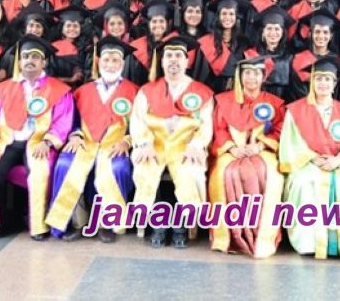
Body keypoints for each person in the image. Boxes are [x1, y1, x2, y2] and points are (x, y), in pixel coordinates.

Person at [0, 35, 74, 241]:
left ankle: (38, 226)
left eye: (35, 57)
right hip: (6, 141)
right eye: (26, 56)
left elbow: (63, 121)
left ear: (44, 62)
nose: (30, 60)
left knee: (40, 171)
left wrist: (47, 141)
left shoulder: (58, 90)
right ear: (19, 62)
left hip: (38, 142)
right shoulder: (3, 88)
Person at [45, 37, 137, 242]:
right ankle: (78, 222)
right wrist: (75, 135)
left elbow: (140, 125)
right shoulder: (83, 91)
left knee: (118, 168)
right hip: (85, 144)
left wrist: (127, 141)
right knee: (66, 164)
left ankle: (108, 223)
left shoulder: (133, 91)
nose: (110, 65)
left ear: (122, 64)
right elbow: (70, 119)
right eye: (106, 60)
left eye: (115, 60)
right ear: (98, 62)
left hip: (114, 145)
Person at [130, 36, 215, 249]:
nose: (173, 60)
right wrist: (144, 143)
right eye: (169, 55)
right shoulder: (147, 91)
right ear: (162, 61)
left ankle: (181, 225)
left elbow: (206, 124)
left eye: (178, 55)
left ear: (187, 61)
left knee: (190, 171)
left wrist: (196, 145)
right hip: (155, 145)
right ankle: (158, 224)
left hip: (186, 146)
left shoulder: (201, 92)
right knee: (145, 168)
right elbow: (137, 121)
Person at [279, 56, 340, 261]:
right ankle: (309, 243)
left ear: (335, 83)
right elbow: (290, 142)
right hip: (308, 161)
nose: (323, 83)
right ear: (312, 82)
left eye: (327, 79)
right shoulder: (295, 110)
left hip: (339, 162)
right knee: (305, 181)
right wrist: (312, 157)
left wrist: (339, 159)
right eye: (318, 78)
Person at [209, 57, 286, 258]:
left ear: (263, 77)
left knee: (266, 173)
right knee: (226, 173)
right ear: (240, 76)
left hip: (261, 151)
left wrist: (261, 145)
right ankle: (230, 237)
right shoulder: (225, 101)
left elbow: (279, 130)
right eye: (247, 73)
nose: (252, 77)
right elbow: (219, 128)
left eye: (256, 73)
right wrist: (231, 147)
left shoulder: (274, 103)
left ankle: (262, 237)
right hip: (232, 151)